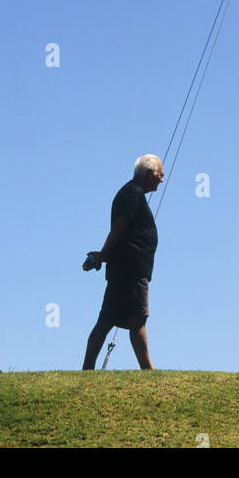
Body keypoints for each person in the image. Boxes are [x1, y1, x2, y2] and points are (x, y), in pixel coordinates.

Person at [82, 154, 163, 370]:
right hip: (131, 270)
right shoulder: (132, 194)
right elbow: (119, 228)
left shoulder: (131, 193)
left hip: (125, 268)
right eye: (159, 175)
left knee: (107, 320)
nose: (161, 180)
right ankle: (148, 370)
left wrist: (103, 255)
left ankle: (87, 368)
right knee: (137, 318)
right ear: (148, 174)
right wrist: (102, 254)